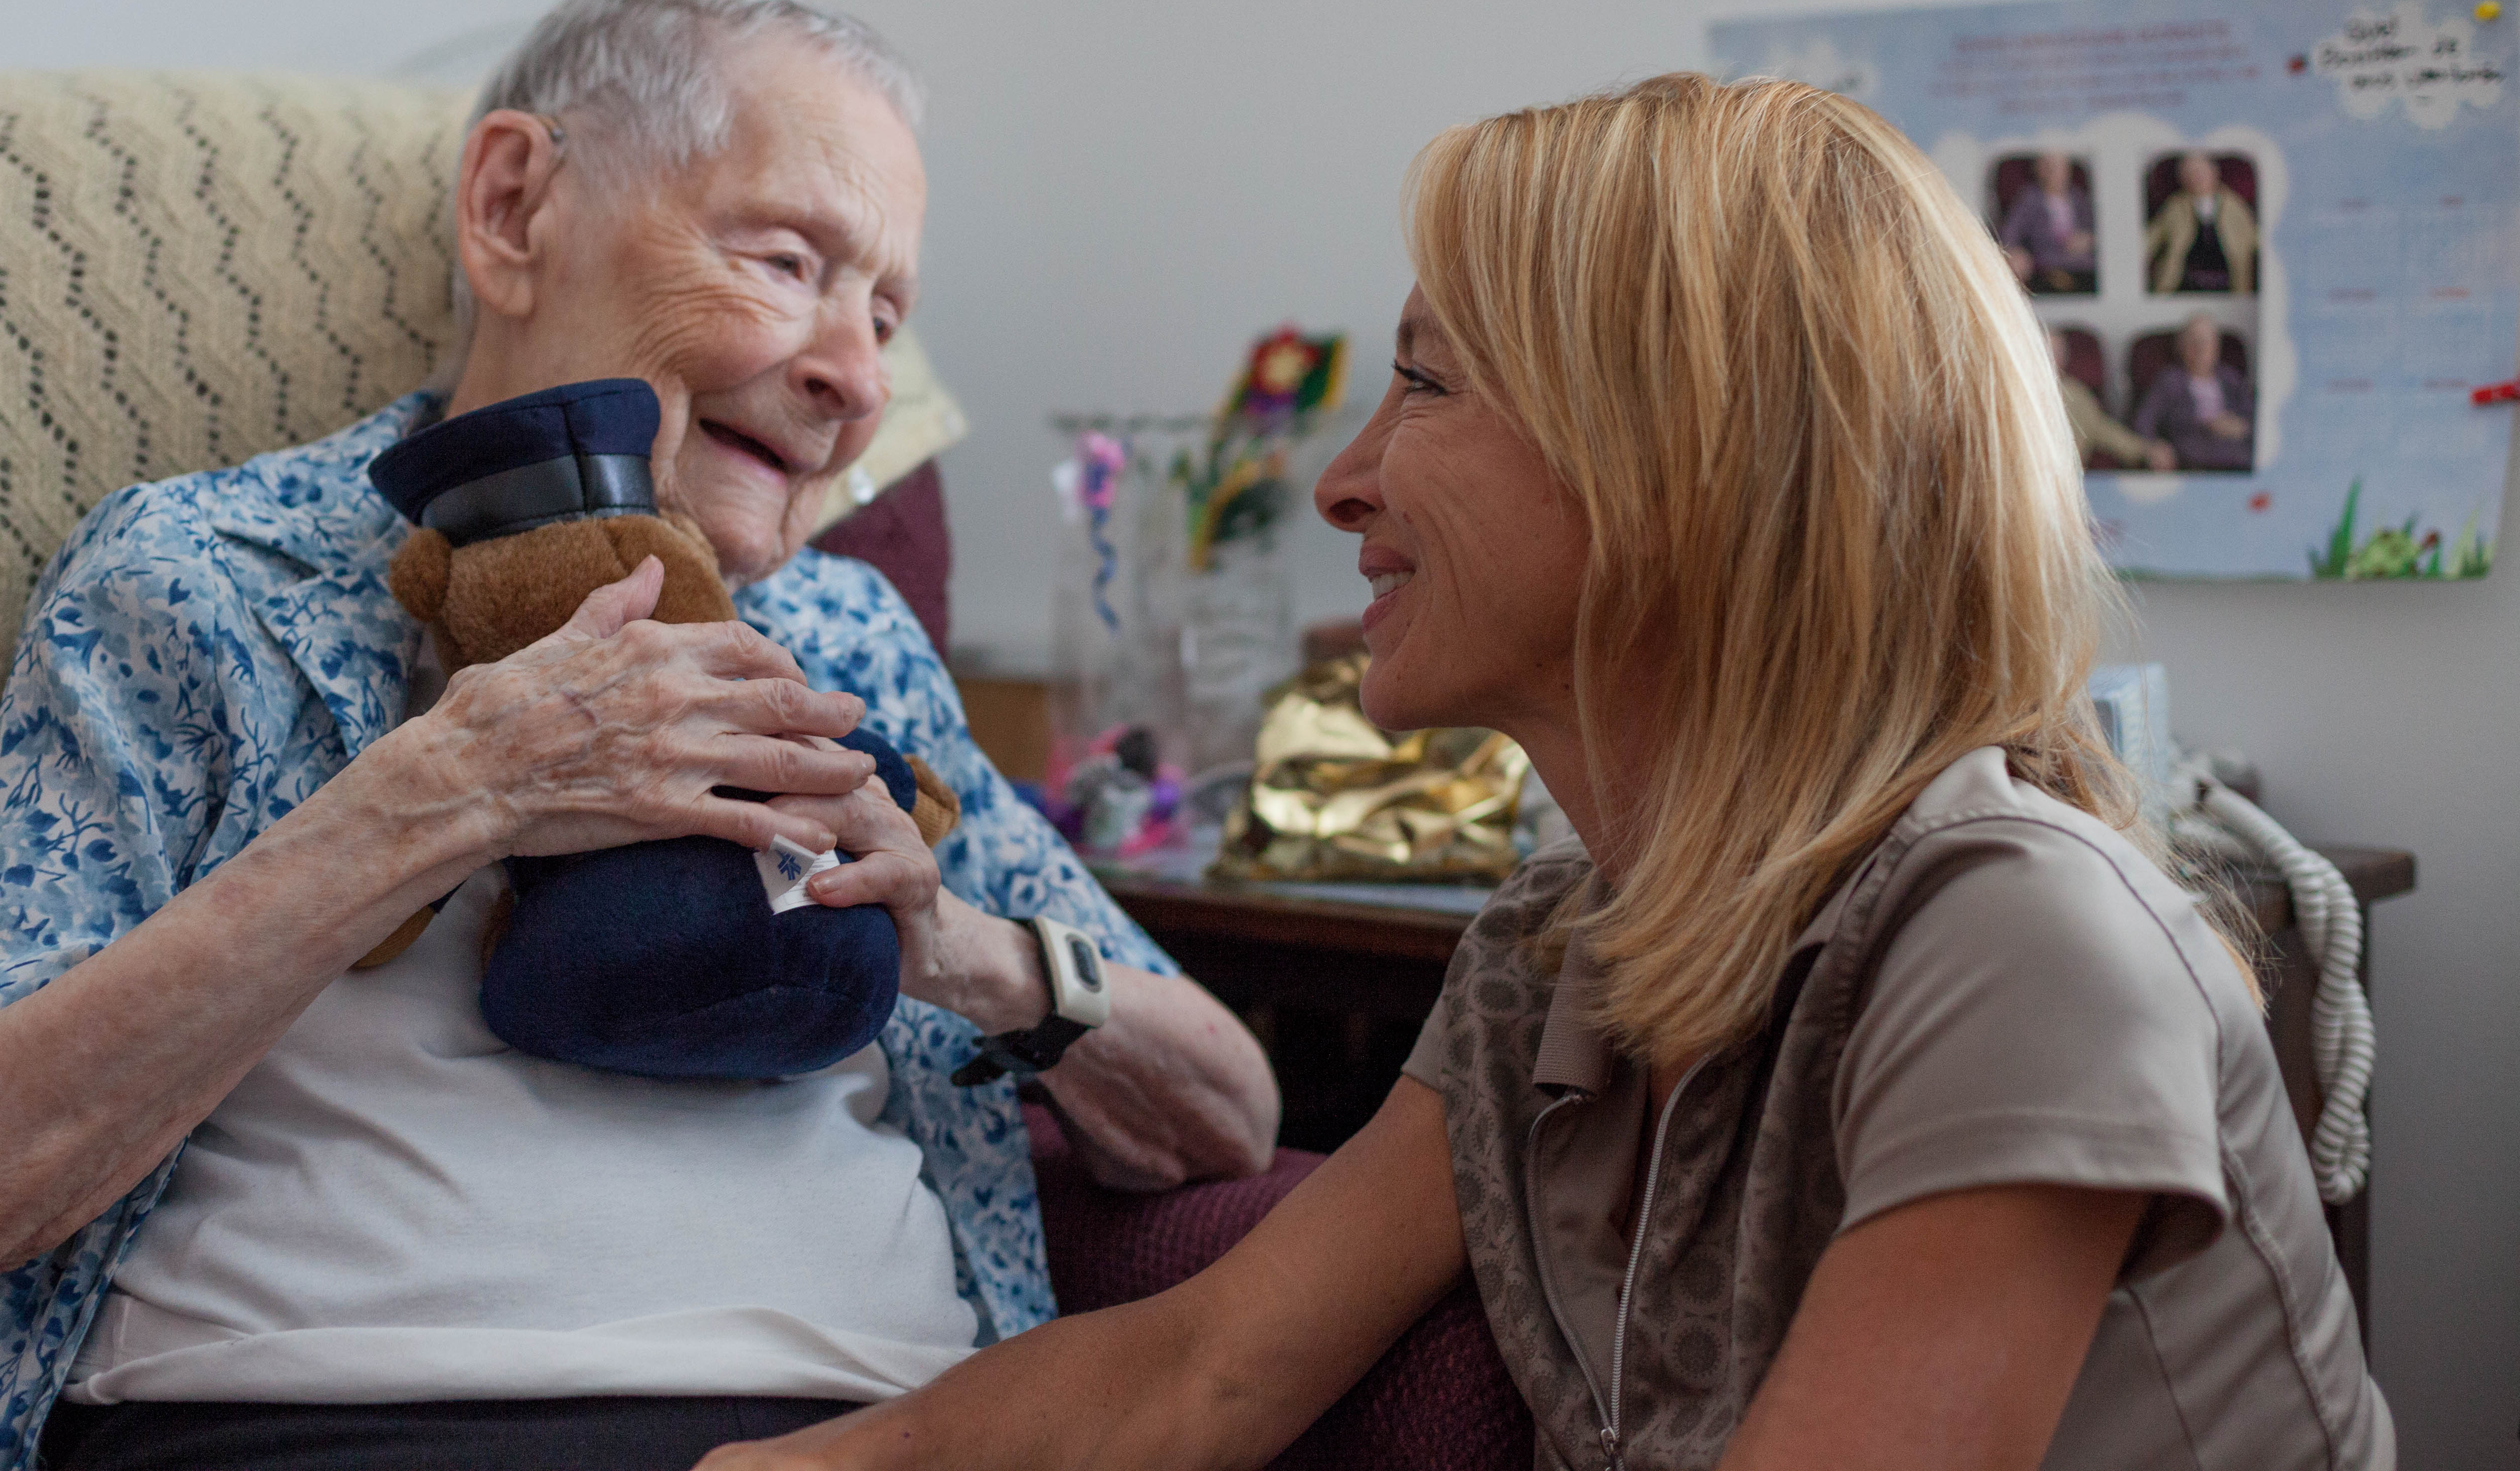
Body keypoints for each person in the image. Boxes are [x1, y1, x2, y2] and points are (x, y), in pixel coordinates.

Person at [699, 75, 2390, 1471]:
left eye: (1425, 383)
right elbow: (1202, 1370)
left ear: (1684, 468)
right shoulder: (1550, 956)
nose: (1341, 481)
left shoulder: (2016, 944)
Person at [0, 0, 1279, 1471]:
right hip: (337, 1427)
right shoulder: (207, 580)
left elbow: (1228, 1108)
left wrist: (956, 947)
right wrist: (461, 790)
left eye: (886, 314)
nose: (858, 379)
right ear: (513, 206)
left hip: (887, 1432)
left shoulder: (846, 635)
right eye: (788, 261)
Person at [2133, 311, 2256, 471]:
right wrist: (2154, 447)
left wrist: (2242, 427)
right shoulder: (2169, 380)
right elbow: (2144, 420)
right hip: (2191, 460)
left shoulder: (2231, 378)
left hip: (2237, 460)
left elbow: (2257, 419)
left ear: (2217, 347)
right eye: (2194, 342)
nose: (2201, 348)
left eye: (2207, 342)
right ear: (2181, 347)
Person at [2047, 325, 2172, 471]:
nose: (2049, 358)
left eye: (2056, 353)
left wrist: (2147, 450)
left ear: (2064, 358)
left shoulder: (2077, 396)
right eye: (2043, 350)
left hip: (2066, 478)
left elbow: (2106, 432)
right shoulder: (2023, 398)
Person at [2144, 150, 2258, 294]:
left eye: (2200, 172)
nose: (2196, 178)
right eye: (2189, 174)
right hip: (2184, 285)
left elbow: (2255, 237)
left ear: (2214, 173)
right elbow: (2152, 237)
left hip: (2228, 285)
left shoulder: (2235, 206)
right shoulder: (2175, 207)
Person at [1996, 152, 2096, 292]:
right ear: (2037, 169)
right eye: (2046, 165)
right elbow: (2010, 234)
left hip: (2084, 268)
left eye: (2057, 166)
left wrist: (2089, 240)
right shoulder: (2029, 199)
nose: (2052, 171)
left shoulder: (2079, 198)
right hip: (2047, 268)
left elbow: (2099, 231)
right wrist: (2014, 253)